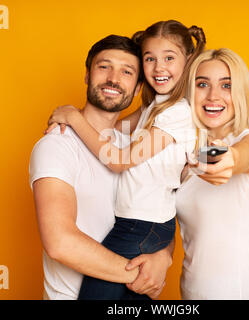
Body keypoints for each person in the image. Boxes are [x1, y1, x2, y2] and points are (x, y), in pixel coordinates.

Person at [44, 20, 206, 300]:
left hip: (141, 224)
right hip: (143, 224)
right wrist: (73, 124)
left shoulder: (176, 113)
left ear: (188, 61)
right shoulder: (154, 106)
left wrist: (72, 116)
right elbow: (113, 130)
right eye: (150, 59)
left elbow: (119, 161)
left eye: (169, 58)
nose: (159, 67)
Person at [29, 35, 173, 300]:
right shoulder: (57, 146)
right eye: (104, 66)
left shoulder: (133, 149)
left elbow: (160, 213)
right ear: (87, 75)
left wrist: (164, 256)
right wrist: (140, 275)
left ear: (138, 87)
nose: (113, 79)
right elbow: (60, 242)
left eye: (127, 72)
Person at [175, 48, 249, 300]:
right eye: (202, 84)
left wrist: (230, 157)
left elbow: (246, 154)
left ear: (241, 93)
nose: (213, 96)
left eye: (226, 85)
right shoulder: (186, 154)